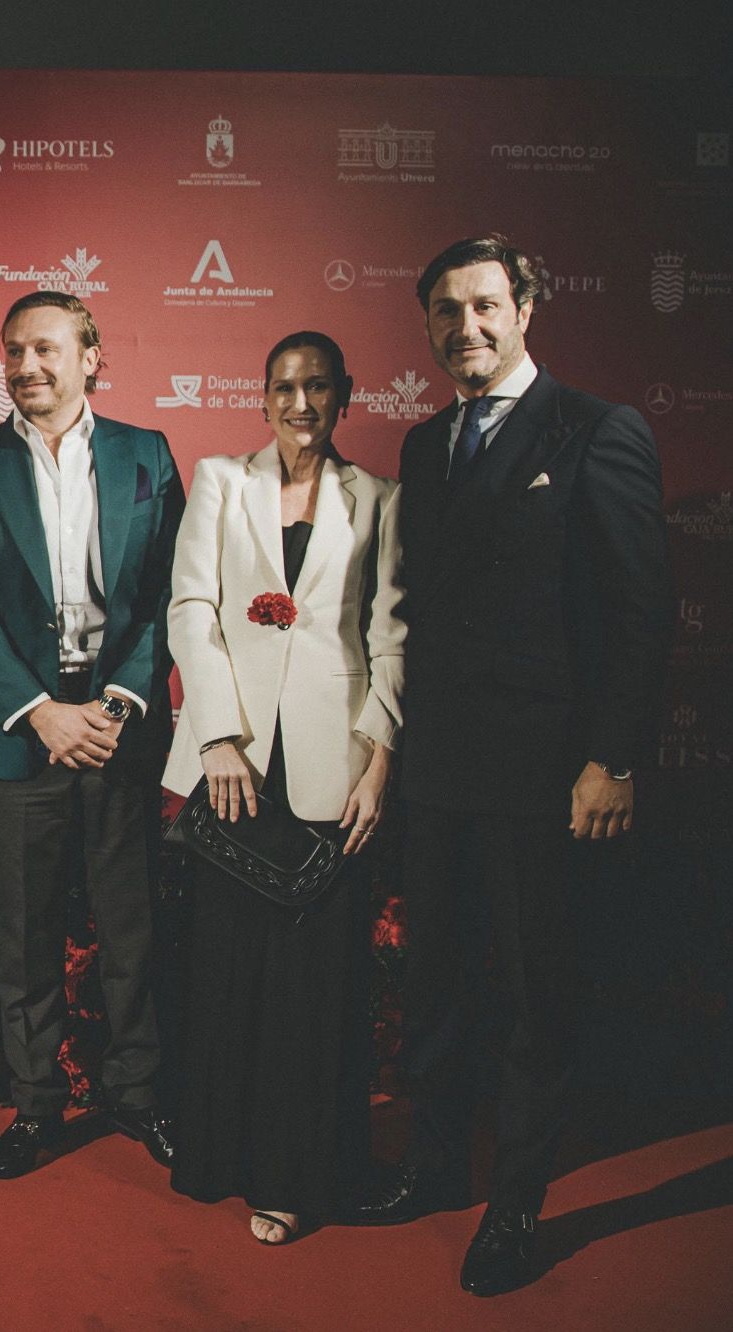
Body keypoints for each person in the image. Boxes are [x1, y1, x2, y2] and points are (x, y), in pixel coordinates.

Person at [346, 235, 673, 1296]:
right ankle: (437, 1166)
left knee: (535, 993)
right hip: (441, 769)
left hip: (545, 775)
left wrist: (610, 760)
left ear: (526, 307)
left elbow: (638, 613)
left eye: (486, 306)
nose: (467, 328)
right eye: (447, 311)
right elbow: (420, 617)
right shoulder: (424, 446)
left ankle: (516, 1202)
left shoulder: (598, 430)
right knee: (436, 979)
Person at [0, 290, 184, 1180]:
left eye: (45, 349)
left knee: (130, 924)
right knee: (25, 932)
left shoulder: (145, 454)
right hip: (15, 731)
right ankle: (36, 1106)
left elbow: (167, 595)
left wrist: (114, 704)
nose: (26, 366)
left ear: (90, 356)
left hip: (118, 724)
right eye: (13, 351)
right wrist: (40, 712)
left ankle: (140, 1097)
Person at [161, 331, 404, 1243]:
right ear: (261, 396)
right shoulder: (221, 479)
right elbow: (190, 606)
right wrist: (217, 732)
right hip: (231, 766)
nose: (300, 403)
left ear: (345, 395)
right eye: (284, 387)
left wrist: (378, 756)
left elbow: (393, 636)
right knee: (228, 974)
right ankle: (218, 1156)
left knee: (312, 988)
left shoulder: (378, 499)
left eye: (317, 388)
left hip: (331, 770)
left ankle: (294, 1176)